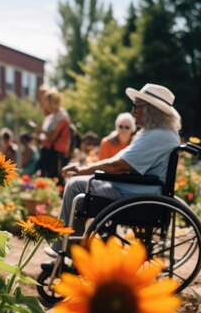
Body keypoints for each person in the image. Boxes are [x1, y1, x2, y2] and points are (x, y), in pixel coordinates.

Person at [59, 83, 182, 231]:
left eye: (136, 105)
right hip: (142, 190)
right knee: (83, 184)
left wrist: (81, 170)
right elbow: (119, 164)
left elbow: (118, 166)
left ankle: (65, 244)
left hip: (136, 195)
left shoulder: (157, 136)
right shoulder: (162, 133)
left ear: (150, 109)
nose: (133, 111)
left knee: (75, 185)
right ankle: (73, 242)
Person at [38, 88, 72, 183]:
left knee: (55, 177)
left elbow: (53, 136)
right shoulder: (53, 116)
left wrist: (40, 130)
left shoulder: (62, 116)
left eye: (47, 103)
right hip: (50, 150)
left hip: (57, 152)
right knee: (46, 174)